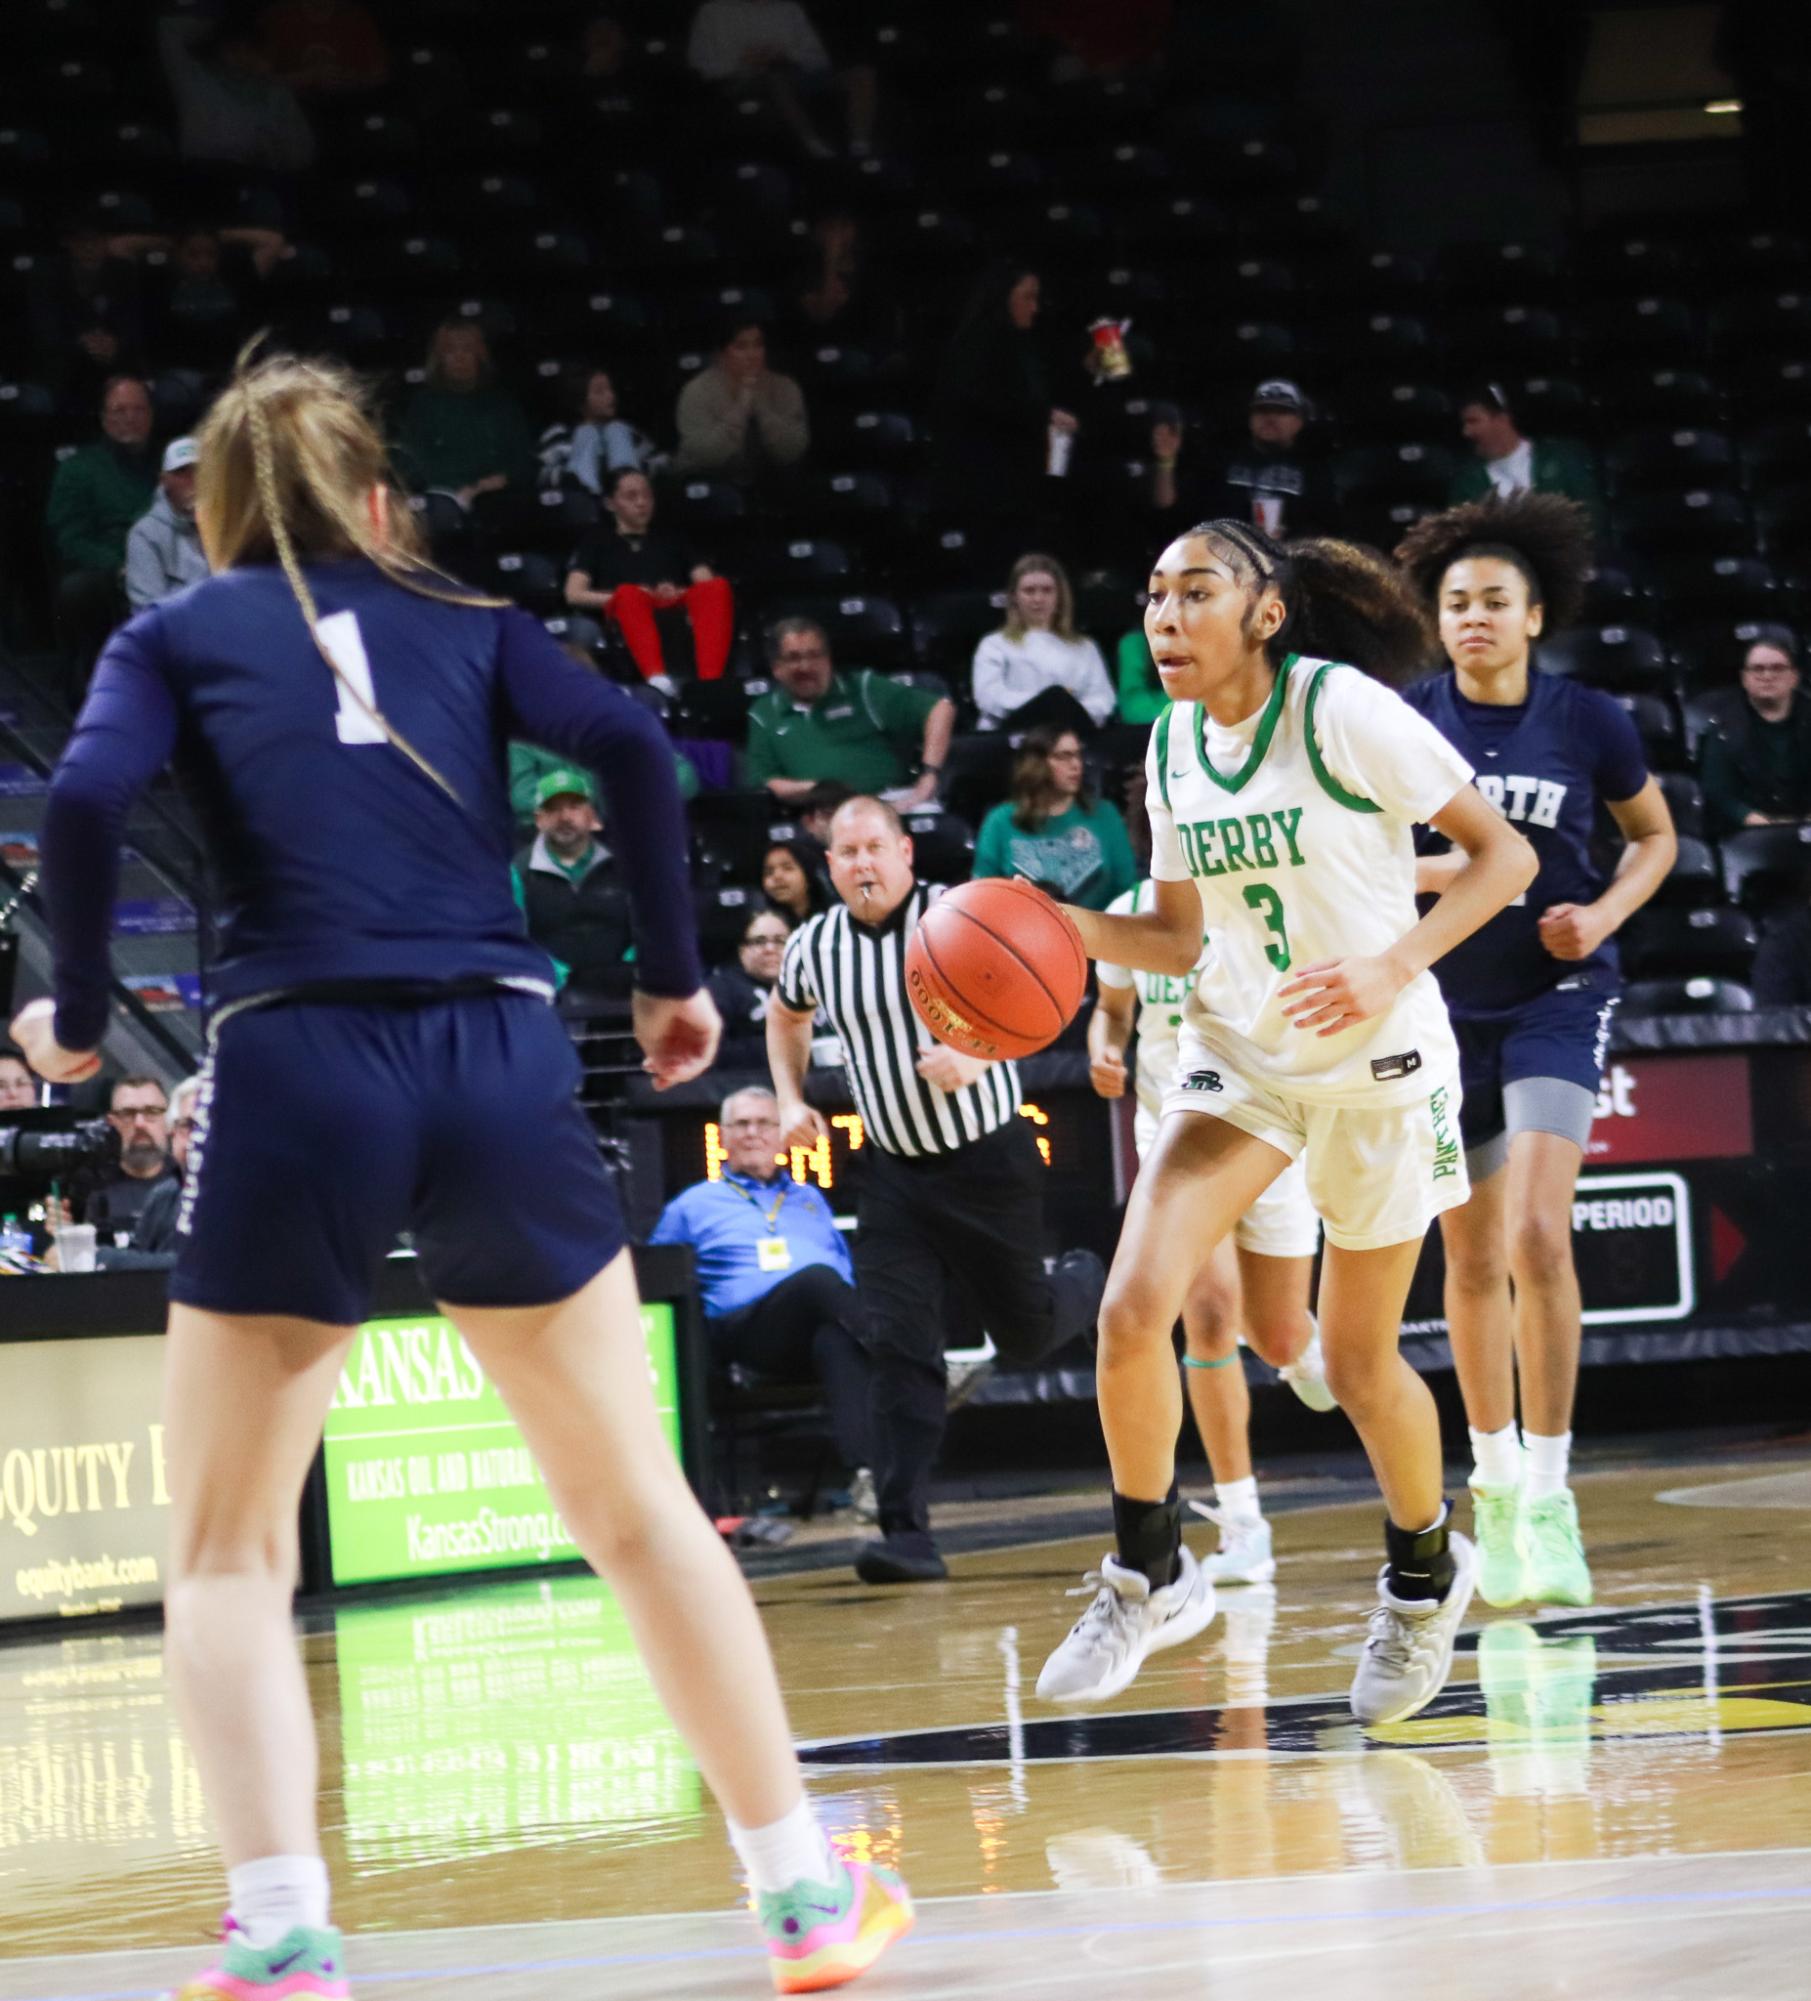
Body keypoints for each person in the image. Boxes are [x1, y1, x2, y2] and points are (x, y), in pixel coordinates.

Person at [8, 346, 909, 1998]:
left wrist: (71, 1009)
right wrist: (668, 970)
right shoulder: (473, 622)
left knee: (221, 1550)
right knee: (637, 1509)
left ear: (210, 515)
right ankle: (799, 1894)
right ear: (376, 499)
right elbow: (637, 745)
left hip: (299, 1065)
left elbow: (77, 796)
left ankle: (282, 1932)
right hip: (497, 1055)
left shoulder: (175, 632)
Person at [1033, 518, 1536, 1725]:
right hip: (1238, 1051)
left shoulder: (1339, 710)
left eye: (1192, 591)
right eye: (1150, 595)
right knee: (1130, 1310)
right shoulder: (1165, 746)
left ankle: (1425, 1578)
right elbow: (1170, 940)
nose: (1162, 616)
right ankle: (1149, 1573)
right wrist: (1042, 921)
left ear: (1263, 612)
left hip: (1377, 1056)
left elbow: (1501, 858)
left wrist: (1388, 964)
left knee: (1356, 1364)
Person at [1397, 495, 1677, 1610]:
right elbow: (1374, 858)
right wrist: (1479, 877)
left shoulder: (1588, 718)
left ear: (1531, 617)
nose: (1471, 617)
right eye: (1455, 602)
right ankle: (1497, 1480)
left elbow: (1653, 836)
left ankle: (1551, 1492)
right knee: (1466, 1263)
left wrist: (1601, 918)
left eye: (1491, 603)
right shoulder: (1407, 723)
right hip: (1441, 1005)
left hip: (1559, 994)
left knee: (1533, 1235)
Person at [767, 796, 1107, 1583]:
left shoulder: (962, 914)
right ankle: (905, 1534)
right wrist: (789, 1098)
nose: (860, 863)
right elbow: (784, 1017)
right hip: (891, 1173)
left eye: (873, 847)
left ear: (905, 854)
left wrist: (978, 1056)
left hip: (986, 1159)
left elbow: (1048, 995)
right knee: (898, 1347)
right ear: (829, 867)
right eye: (845, 851)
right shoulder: (813, 945)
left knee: (1022, 1336)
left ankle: (1087, 1277)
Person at [1090, 879, 1335, 1580]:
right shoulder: (1130, 909)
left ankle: (1302, 1346)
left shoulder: (1255, 895)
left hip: (1266, 1119)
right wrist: (1104, 1048)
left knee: (1274, 1332)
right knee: (1207, 1317)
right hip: (1173, 1128)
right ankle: (1242, 1523)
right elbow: (1111, 1011)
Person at [651, 1086, 873, 1489]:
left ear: (781, 1135)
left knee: (835, 1337)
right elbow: (658, 1280)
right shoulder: (692, 1205)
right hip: (744, 1336)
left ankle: (868, 1476)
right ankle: (906, 1363)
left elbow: (846, 1275)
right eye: (741, 1124)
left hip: (806, 1336)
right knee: (817, 1280)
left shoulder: (809, 1199)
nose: (752, 1133)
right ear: (722, 1135)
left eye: (764, 1124)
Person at [929, 263, 1075, 532]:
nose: (1035, 307)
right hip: (983, 485)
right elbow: (983, 402)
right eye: (1027, 297)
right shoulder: (975, 347)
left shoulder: (1026, 347)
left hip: (1022, 484)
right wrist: (1043, 416)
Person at [745, 617, 953, 805]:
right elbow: (766, 780)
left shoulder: (863, 688)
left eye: (814, 655)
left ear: (828, 659)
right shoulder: (764, 714)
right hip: (821, 811)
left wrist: (929, 775)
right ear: (776, 667)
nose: (806, 666)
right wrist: (819, 789)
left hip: (889, 800)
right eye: (794, 658)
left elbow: (941, 709)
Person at [564, 468, 734, 686]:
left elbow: (706, 582)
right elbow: (574, 594)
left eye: (647, 495)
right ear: (610, 503)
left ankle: (711, 680)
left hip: (670, 602)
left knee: (718, 587)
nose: (642, 502)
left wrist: (677, 591)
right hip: (628, 608)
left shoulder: (672, 536)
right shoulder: (596, 541)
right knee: (628, 593)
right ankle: (656, 678)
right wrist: (623, 596)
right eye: (631, 496)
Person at [48, 374, 159, 681]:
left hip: (169, 561)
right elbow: (70, 538)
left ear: (151, 415)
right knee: (78, 590)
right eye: (119, 411)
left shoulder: (171, 464)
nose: (130, 418)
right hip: (111, 567)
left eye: (138, 410)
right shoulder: (78, 469)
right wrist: (118, 566)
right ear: (104, 418)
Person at [972, 725, 1138, 911]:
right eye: (1064, 756)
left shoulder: (1105, 814)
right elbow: (982, 897)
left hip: (1099, 932)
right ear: (1036, 764)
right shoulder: (1000, 822)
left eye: (1078, 755)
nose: (1076, 765)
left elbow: (1127, 889)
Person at [686, 0, 877, 160]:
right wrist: (743, 62)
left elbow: (818, 58)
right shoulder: (713, 11)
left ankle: (861, 146)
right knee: (775, 78)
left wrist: (785, 54)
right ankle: (812, 143)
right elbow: (699, 62)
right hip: (740, 80)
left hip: (795, 74)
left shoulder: (788, 8)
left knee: (862, 74)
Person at [1152, 381, 1334, 541]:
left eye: (1282, 411)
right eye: (1262, 410)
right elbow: (1169, 508)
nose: (1270, 418)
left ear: (1299, 422)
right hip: (1222, 560)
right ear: (1250, 418)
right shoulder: (1222, 458)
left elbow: (1326, 531)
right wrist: (1165, 461)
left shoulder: (1313, 469)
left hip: (1288, 565)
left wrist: (1289, 541)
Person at [514, 768, 632, 998]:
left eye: (574, 807)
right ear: (539, 820)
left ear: (593, 817)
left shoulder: (627, 867)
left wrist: (632, 969)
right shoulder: (518, 871)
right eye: (553, 809)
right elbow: (516, 941)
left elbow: (649, 932)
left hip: (624, 984)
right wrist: (556, 975)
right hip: (549, 988)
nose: (565, 817)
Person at [396, 321, 538, 513]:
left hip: (495, 497)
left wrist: (488, 485)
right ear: (439, 358)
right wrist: (453, 491)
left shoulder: (502, 403)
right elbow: (412, 464)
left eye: (467, 349)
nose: (460, 357)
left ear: (481, 356)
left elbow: (523, 463)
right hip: (442, 498)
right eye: (450, 351)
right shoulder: (423, 404)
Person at [157, 12, 317, 176]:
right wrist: (226, 26)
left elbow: (302, 154)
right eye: (234, 49)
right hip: (199, 177)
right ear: (219, 49)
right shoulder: (193, 76)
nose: (242, 57)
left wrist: (269, 150)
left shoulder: (274, 92)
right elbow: (169, 27)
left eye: (249, 50)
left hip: (254, 179)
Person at [971, 553, 1117, 732]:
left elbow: (1102, 698)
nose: (1038, 599)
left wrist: (1068, 710)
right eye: (1029, 591)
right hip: (1010, 736)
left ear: (1060, 596)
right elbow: (989, 697)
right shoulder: (994, 645)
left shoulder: (1085, 647)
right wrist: (1047, 705)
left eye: (1047, 590)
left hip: (1072, 734)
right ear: (1014, 596)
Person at [1448, 384, 1605, 538]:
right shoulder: (1467, 480)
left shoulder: (1559, 458)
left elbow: (1590, 517)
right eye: (1464, 424)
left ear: (1502, 420)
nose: (1466, 432)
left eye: (1473, 421)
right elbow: (1460, 533)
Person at [1698, 636, 1811, 836]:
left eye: (1777, 668)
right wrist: (1758, 822)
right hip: (1747, 835)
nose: (1767, 676)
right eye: (1758, 669)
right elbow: (1717, 792)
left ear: (1794, 677)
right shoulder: (1722, 728)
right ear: (1744, 678)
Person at [674, 319, 810, 484]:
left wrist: (761, 406)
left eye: (758, 345)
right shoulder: (696, 391)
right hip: (708, 478)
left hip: (769, 479)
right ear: (721, 354)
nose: (752, 354)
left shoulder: (785, 387)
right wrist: (741, 406)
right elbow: (705, 456)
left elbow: (792, 450)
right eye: (741, 347)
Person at [28, 214, 146, 403]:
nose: (89, 247)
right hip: (65, 364)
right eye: (82, 240)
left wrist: (116, 342)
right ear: (68, 243)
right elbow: (44, 330)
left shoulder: (123, 272)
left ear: (106, 241)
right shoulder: (47, 275)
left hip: (115, 360)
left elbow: (134, 323)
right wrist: (81, 342)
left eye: (96, 240)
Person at [85, 1074, 178, 1247]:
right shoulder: (89, 1186)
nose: (140, 1123)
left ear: (168, 1120)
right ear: (111, 1123)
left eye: (152, 1112)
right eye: (127, 1113)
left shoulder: (188, 1183)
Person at [545, 366, 664, 494]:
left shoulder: (626, 431)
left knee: (616, 430)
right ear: (580, 400)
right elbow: (543, 474)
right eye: (599, 392)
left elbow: (661, 462)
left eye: (610, 389)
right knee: (587, 433)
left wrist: (637, 468)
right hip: (580, 501)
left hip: (628, 503)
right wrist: (574, 475)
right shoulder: (560, 434)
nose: (610, 396)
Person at [126, 438, 211, 611]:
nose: (192, 481)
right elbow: (148, 609)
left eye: (198, 472)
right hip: (179, 630)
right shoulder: (145, 534)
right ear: (165, 480)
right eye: (181, 473)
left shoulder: (228, 526)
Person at [708, 909, 794, 1067]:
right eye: (759, 941)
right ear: (742, 951)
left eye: (780, 941)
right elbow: (712, 1051)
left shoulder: (810, 984)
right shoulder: (721, 989)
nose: (770, 949)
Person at [258, 0, 390, 95]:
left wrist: (351, 79)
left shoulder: (356, 17)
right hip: (290, 111)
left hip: (351, 108)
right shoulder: (278, 17)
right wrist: (307, 77)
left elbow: (379, 75)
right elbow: (256, 81)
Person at [763, 835, 833, 924]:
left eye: (787, 868)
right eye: (769, 872)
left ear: (808, 874)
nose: (777, 876)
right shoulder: (765, 925)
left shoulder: (833, 919)